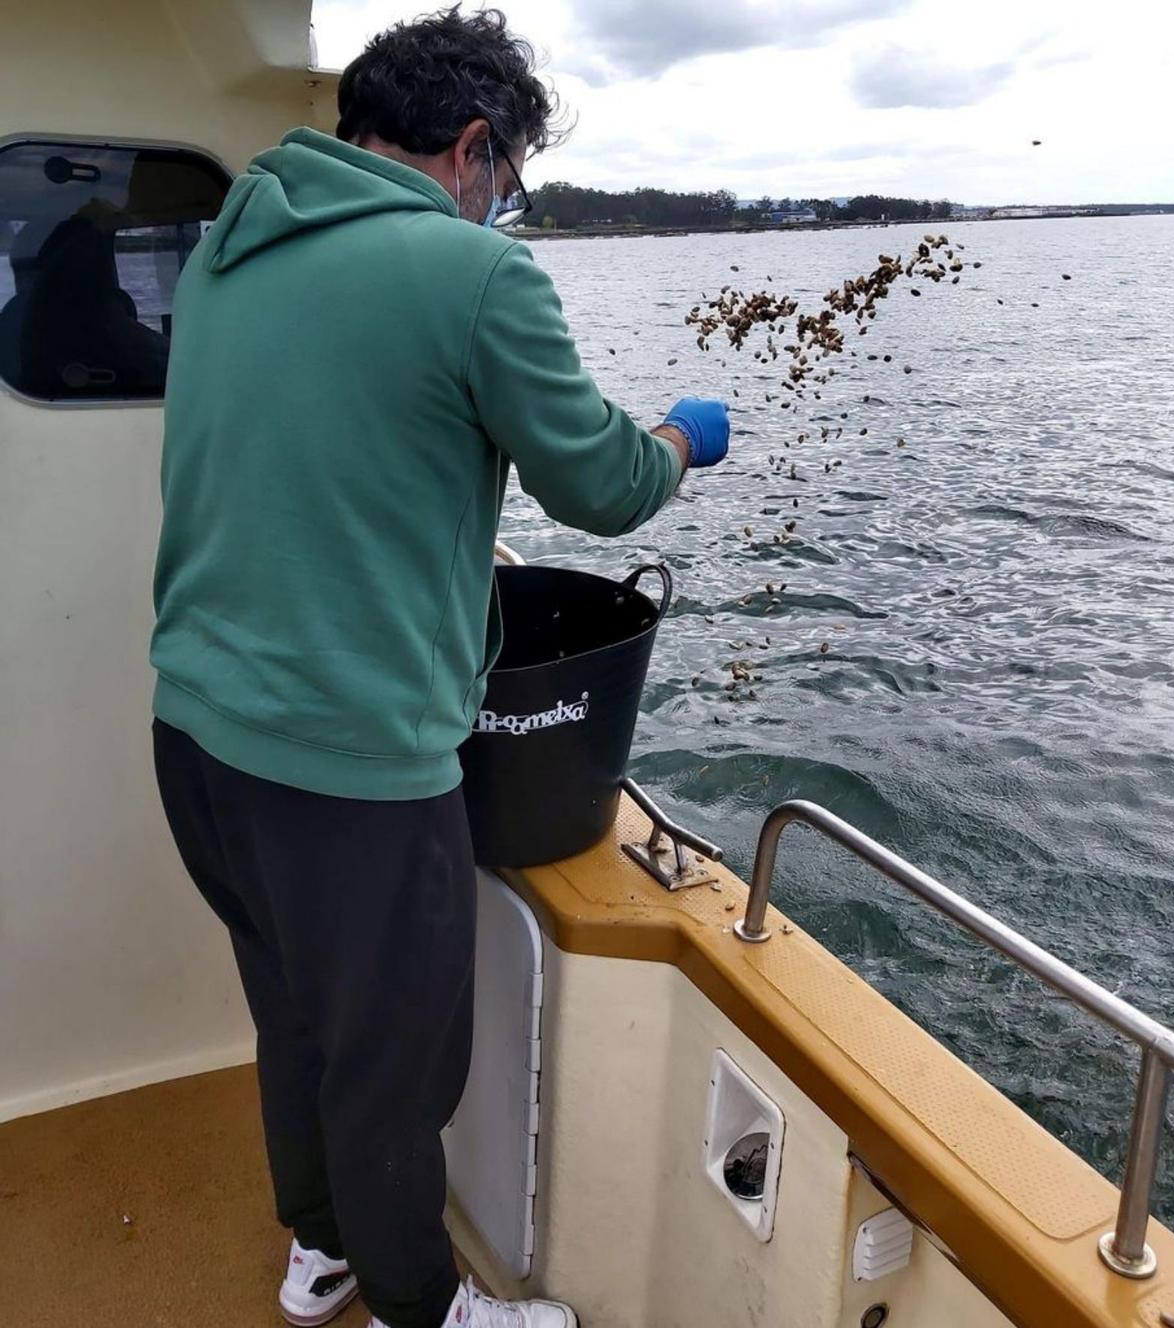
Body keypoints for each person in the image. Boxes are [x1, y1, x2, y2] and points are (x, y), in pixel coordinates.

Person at [149, 8, 730, 1328]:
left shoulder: (231, 245)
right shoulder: (473, 276)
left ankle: (322, 1250)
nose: (504, 203)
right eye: (508, 177)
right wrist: (681, 440)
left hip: (196, 735)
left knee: (296, 1018)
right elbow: (601, 484)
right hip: (349, 769)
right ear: (472, 149)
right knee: (394, 1067)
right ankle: (428, 1309)